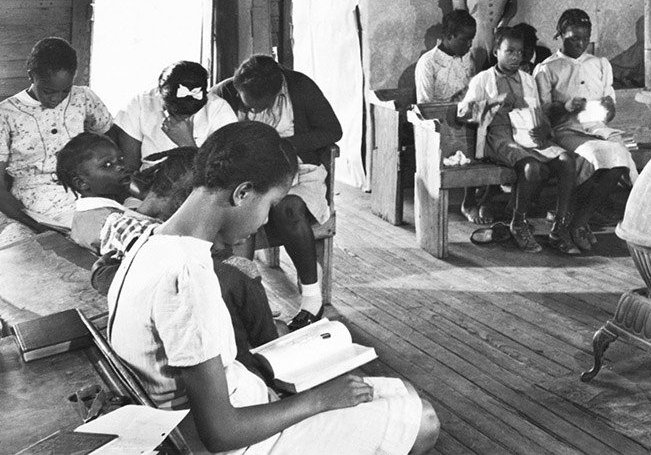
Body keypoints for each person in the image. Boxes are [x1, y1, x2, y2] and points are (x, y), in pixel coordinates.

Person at [106, 121, 439, 454]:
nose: (266, 220)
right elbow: (221, 433)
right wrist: (319, 399)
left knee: (398, 394)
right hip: (233, 440)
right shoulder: (188, 275)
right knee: (422, 420)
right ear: (242, 193)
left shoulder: (150, 244)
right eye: (269, 205)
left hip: (212, 411)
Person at [92, 147, 281, 376]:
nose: (267, 218)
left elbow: (105, 275)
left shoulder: (133, 239)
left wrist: (99, 269)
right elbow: (266, 346)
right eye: (270, 205)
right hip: (235, 379)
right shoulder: (213, 274)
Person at [214, 56, 341, 330]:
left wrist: (283, 144)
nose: (252, 109)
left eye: (260, 105)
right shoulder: (224, 92)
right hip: (247, 177)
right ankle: (246, 298)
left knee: (289, 210)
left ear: (277, 93)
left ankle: (311, 298)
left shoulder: (301, 87)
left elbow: (333, 130)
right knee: (236, 217)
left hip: (298, 171)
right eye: (247, 104)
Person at [458, 28, 578, 254]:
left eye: (519, 52)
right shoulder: (483, 80)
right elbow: (463, 112)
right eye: (509, 51)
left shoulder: (527, 80)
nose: (515, 56)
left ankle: (560, 228)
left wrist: (543, 128)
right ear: (496, 52)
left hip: (527, 132)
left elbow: (539, 111)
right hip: (499, 135)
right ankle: (518, 222)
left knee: (565, 159)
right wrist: (493, 103)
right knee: (531, 167)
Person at [535, 9, 638, 252]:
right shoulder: (547, 68)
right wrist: (565, 107)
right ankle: (573, 223)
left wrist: (608, 107)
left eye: (585, 38)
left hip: (597, 129)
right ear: (559, 36)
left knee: (619, 159)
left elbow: (608, 110)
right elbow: (541, 114)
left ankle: (579, 222)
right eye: (573, 39)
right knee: (599, 156)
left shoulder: (599, 64)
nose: (580, 44)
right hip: (565, 131)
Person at [0, 37, 115, 243]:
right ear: (31, 77)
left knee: (113, 229)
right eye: (48, 91)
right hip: (32, 199)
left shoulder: (83, 97)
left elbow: (109, 136)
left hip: (84, 189)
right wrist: (34, 223)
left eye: (65, 90)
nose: (57, 98)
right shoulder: (6, 114)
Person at [415, 10, 492, 223]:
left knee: (493, 129)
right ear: (449, 36)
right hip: (439, 122)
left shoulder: (468, 58)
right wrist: (454, 104)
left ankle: (477, 200)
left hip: (466, 118)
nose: (469, 45)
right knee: (468, 136)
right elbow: (424, 106)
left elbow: (475, 91)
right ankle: (463, 200)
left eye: (471, 39)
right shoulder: (428, 62)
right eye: (465, 39)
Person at [114, 61, 238, 165]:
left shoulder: (219, 109)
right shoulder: (140, 103)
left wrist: (186, 143)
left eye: (189, 115)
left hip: (198, 186)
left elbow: (222, 174)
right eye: (175, 113)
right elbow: (129, 167)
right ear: (159, 92)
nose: (181, 120)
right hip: (147, 185)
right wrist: (143, 192)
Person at [56, 131, 134, 252]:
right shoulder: (109, 222)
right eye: (107, 164)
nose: (120, 166)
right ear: (82, 183)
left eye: (121, 159)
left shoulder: (86, 214)